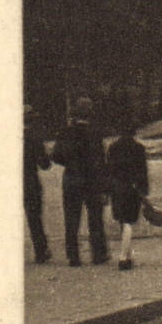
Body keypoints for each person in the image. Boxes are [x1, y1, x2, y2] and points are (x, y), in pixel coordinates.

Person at [52, 97, 109, 266]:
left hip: (71, 179)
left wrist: (69, 163)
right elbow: (101, 161)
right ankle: (98, 254)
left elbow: (56, 156)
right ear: (90, 114)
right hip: (92, 180)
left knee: (71, 219)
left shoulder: (65, 132)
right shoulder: (96, 133)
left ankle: (73, 256)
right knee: (95, 218)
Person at [105, 118, 150, 270]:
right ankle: (124, 257)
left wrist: (107, 189)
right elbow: (142, 172)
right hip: (132, 188)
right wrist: (144, 190)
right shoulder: (138, 148)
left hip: (117, 187)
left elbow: (109, 170)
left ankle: (128, 255)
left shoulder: (113, 147)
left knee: (122, 221)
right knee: (129, 221)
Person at [24, 106, 52, 264]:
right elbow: (45, 165)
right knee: (34, 216)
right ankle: (40, 250)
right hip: (30, 180)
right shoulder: (34, 138)